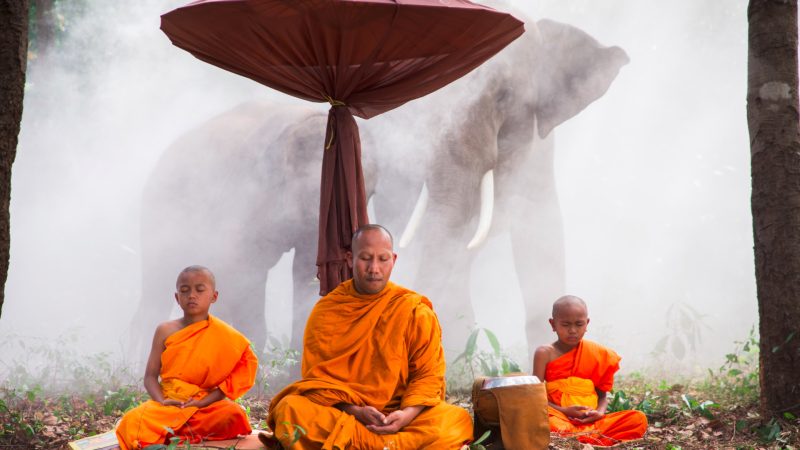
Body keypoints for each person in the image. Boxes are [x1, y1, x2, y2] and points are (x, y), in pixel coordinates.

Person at [263, 224, 473, 449]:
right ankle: (391, 445)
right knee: (290, 410)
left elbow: (428, 376)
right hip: (344, 412)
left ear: (393, 259)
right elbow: (317, 381)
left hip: (398, 415)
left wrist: (406, 414)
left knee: (456, 420)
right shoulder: (328, 311)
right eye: (366, 258)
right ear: (350, 258)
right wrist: (355, 411)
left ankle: (362, 444)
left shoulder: (412, 310)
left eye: (383, 259)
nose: (374, 268)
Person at [116, 266, 258, 450]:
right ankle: (178, 431)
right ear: (177, 298)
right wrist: (162, 401)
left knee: (233, 414)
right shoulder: (165, 330)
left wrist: (202, 402)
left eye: (199, 290)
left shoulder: (226, 335)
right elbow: (150, 377)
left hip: (202, 405)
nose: (192, 295)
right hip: (168, 402)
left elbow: (240, 371)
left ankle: (171, 433)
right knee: (132, 421)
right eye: (185, 290)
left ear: (214, 296)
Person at [532, 295, 648, 447]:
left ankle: (579, 438)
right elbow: (534, 397)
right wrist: (565, 411)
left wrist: (599, 412)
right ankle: (589, 439)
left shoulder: (597, 353)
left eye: (579, 324)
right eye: (565, 325)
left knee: (638, 419)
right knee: (546, 421)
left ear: (587, 324)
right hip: (559, 417)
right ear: (553, 324)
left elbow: (602, 397)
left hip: (591, 421)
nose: (572, 330)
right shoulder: (545, 353)